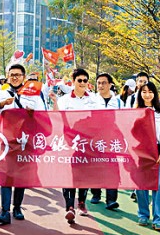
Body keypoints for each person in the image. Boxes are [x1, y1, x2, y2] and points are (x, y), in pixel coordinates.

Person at [0, 63, 47, 225]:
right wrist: (2, 104)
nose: (14, 77)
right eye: (12, 74)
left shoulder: (34, 93)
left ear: (23, 77)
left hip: (26, 139)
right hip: (6, 138)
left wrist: (32, 113)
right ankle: (4, 211)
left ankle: (17, 207)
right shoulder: (2, 93)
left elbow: (43, 113)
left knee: (21, 175)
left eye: (18, 74)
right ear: (7, 76)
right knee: (7, 175)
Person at [51, 68, 100, 223]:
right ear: (73, 82)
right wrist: (54, 103)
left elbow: (101, 118)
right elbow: (57, 118)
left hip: (87, 142)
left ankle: (81, 202)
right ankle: (69, 206)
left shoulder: (94, 99)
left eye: (85, 80)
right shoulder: (65, 100)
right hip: (68, 141)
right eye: (79, 80)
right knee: (68, 174)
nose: (83, 83)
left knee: (83, 173)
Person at [135, 82, 160, 231]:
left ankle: (158, 219)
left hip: (156, 150)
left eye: (150, 91)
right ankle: (143, 214)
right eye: (144, 92)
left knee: (159, 185)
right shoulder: (135, 111)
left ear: (155, 94)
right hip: (140, 151)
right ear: (140, 94)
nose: (147, 94)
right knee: (140, 185)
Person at [88, 72, 123, 208]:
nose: (101, 85)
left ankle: (111, 199)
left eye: (104, 83)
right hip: (95, 139)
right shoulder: (92, 100)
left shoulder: (118, 101)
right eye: (99, 83)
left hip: (112, 139)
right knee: (96, 166)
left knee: (113, 168)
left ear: (110, 85)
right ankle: (96, 193)